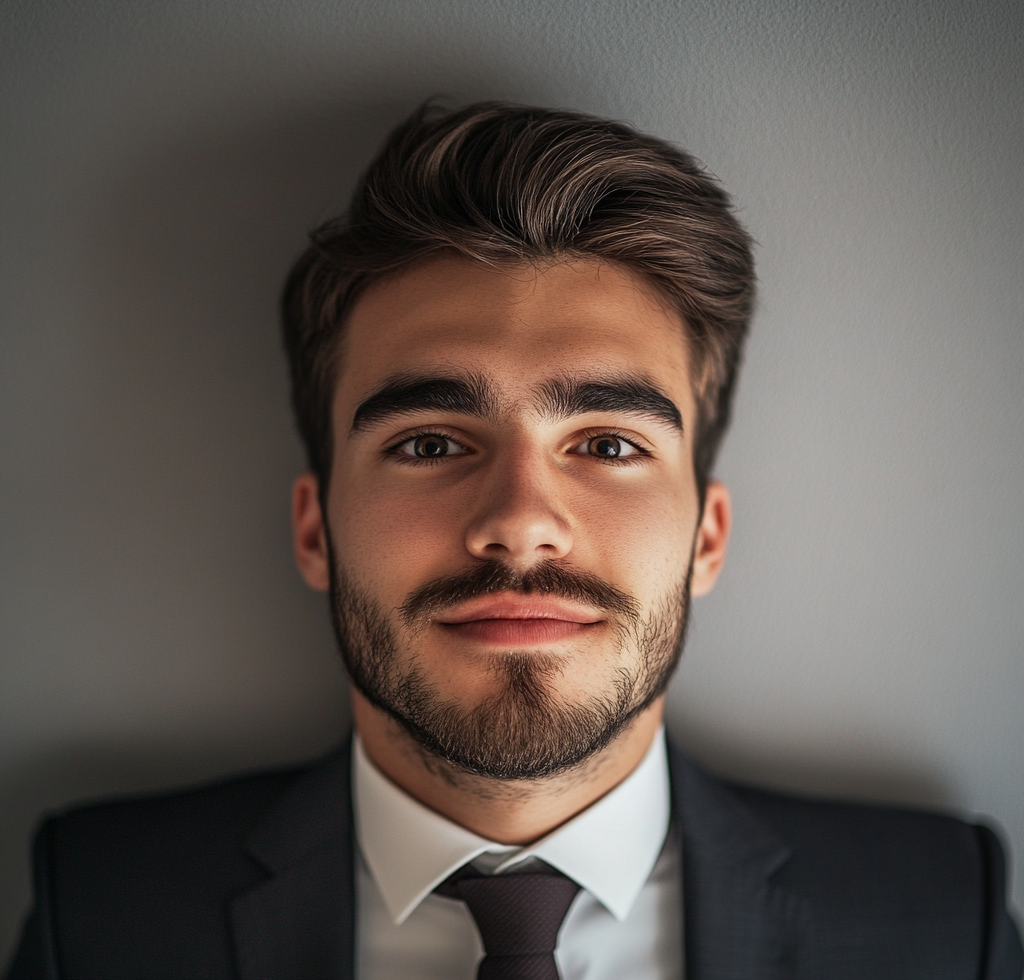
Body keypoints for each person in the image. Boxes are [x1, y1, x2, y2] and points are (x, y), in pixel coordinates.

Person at [5, 101, 1022, 980]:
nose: (521, 519)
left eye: (609, 442)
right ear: (315, 530)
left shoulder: (941, 920)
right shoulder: (104, 910)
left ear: (706, 536)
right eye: (432, 439)